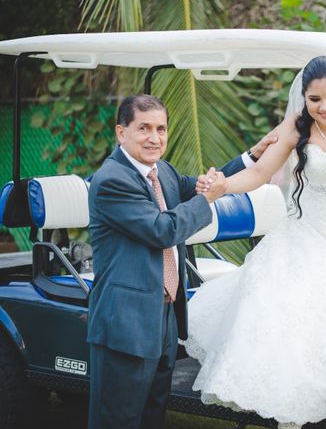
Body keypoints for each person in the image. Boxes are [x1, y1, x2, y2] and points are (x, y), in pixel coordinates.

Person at [184, 56, 326, 428]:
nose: (324, 108)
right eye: (314, 99)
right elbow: (259, 172)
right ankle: (283, 400)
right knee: (285, 305)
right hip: (309, 232)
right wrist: (223, 186)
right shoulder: (296, 126)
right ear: (303, 97)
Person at [86, 94, 276, 429]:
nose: (154, 137)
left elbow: (199, 187)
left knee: (152, 415)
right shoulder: (112, 181)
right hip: (126, 322)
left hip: (163, 316)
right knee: (118, 419)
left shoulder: (164, 173)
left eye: (161, 128)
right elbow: (164, 230)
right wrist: (208, 198)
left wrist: (250, 157)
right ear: (121, 132)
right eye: (143, 128)